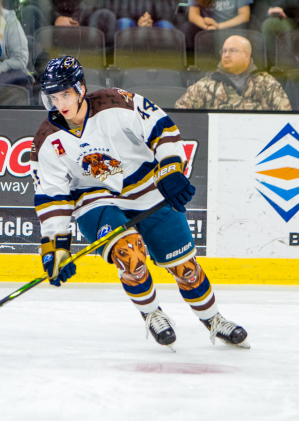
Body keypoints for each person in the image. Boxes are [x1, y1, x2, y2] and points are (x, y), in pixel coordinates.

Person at [31, 55, 250, 351]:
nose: (60, 103)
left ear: (81, 88)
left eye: (65, 94)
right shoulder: (47, 139)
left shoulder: (116, 103)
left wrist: (171, 171)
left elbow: (162, 129)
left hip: (148, 190)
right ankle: (152, 314)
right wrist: (54, 247)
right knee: (129, 252)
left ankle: (214, 320)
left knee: (185, 267)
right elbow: (51, 195)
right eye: (53, 97)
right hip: (94, 199)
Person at [175, 35, 291, 110]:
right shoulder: (206, 84)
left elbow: (285, 114)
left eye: (232, 51)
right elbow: (181, 111)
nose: (226, 55)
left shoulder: (267, 83)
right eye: (224, 51)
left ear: (247, 55)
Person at [183, 0, 251, 51]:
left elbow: (244, 16)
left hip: (231, 25)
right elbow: (193, 15)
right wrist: (207, 27)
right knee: (187, 28)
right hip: (207, 26)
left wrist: (219, 26)